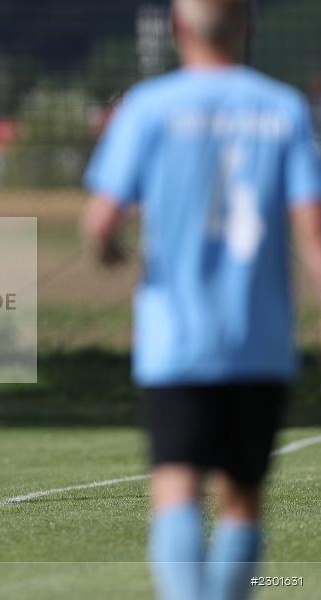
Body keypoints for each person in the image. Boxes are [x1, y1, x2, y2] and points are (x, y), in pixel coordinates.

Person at [81, 1, 321, 599]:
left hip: (176, 340)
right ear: (248, 26)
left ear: (177, 28)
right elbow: (314, 236)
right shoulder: (284, 108)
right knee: (241, 499)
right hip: (259, 341)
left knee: (176, 487)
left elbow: (101, 220)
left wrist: (107, 246)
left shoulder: (148, 107)